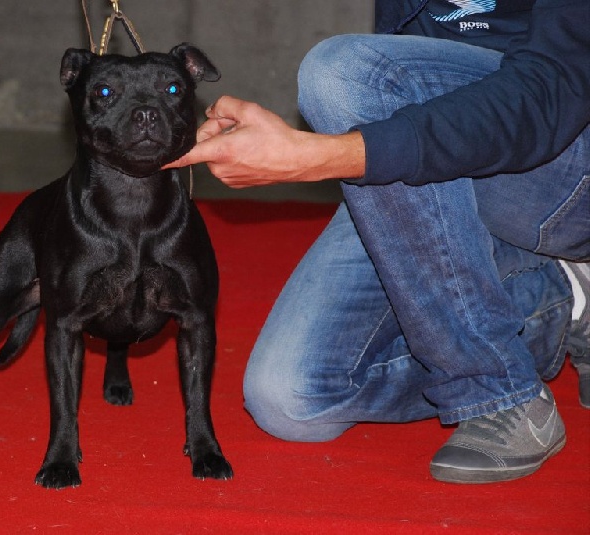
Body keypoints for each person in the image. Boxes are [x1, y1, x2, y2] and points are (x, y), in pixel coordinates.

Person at [165, 0, 590, 484]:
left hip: (566, 146)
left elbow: (550, 94)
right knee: (292, 396)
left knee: (346, 73)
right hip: (443, 150)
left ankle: (498, 390)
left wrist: (320, 157)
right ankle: (567, 298)